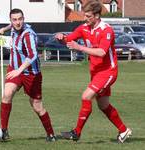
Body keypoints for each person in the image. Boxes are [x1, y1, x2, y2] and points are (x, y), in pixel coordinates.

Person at [55, 0, 132, 143]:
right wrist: (61, 37)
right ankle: (124, 130)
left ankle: (76, 133)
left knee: (86, 96)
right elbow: (69, 39)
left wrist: (79, 48)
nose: (85, 19)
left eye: (88, 16)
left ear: (97, 15)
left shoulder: (106, 30)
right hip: (96, 73)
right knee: (103, 105)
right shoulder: (84, 28)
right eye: (85, 15)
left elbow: (102, 52)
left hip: (108, 72)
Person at [0, 8, 56, 142]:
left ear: (24, 19)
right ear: (11, 21)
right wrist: (4, 29)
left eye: (20, 19)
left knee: (37, 106)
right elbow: (11, 26)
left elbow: (33, 55)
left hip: (31, 74)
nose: (18, 22)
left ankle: (51, 134)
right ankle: (4, 130)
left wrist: (19, 70)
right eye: (14, 19)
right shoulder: (13, 27)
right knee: (7, 94)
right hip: (15, 69)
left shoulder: (28, 34)